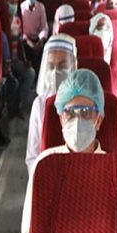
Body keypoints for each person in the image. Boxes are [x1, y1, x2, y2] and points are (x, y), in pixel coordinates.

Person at [21, 69, 105, 233]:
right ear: (61, 119)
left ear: (98, 120)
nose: (77, 121)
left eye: (86, 113)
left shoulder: (114, 171)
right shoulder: (45, 165)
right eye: (70, 113)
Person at [25, 33, 77, 174]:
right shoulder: (40, 105)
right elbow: (32, 156)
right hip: (46, 176)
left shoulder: (83, 103)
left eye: (62, 66)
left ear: (73, 66)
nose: (55, 72)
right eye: (51, 66)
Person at [4, 0, 35, 119]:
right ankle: (12, 109)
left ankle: (18, 105)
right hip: (6, 61)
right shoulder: (3, 20)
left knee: (30, 73)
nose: (14, 5)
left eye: (16, 2)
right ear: (6, 2)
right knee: (14, 82)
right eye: (12, 2)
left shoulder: (17, 19)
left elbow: (20, 42)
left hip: (16, 59)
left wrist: (24, 60)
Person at [20, 0, 49, 74]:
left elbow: (44, 27)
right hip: (25, 40)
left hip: (38, 39)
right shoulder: (21, 8)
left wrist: (40, 41)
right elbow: (20, 29)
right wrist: (29, 42)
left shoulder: (41, 7)